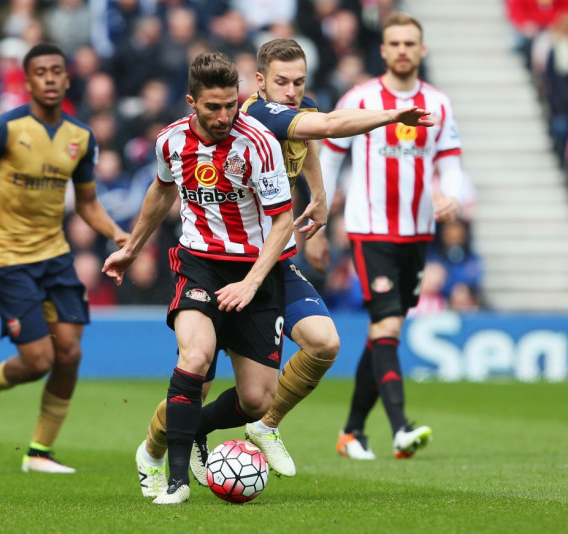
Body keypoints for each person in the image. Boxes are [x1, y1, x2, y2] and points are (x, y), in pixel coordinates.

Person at [135, 37, 435, 493]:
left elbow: (307, 139)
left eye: (299, 82)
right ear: (259, 82)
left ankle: (265, 424)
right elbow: (329, 126)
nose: (292, 91)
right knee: (195, 374)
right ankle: (156, 449)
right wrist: (393, 116)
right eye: (282, 82)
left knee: (323, 343)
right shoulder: (255, 114)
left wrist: (317, 195)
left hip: (269, 260)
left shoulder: (292, 111)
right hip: (216, 263)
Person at [103, 51, 295, 504]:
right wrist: (131, 247)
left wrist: (251, 283)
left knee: (257, 401)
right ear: (192, 102)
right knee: (196, 356)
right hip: (200, 264)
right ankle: (175, 480)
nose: (225, 115)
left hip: (256, 271)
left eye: (232, 104)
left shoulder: (259, 143)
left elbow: (283, 222)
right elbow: (162, 189)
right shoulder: (170, 141)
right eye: (213, 107)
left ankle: (197, 430)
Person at [0, 42, 128, 473]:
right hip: (8, 257)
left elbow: (87, 204)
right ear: (28, 80)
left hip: (55, 256)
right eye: (41, 72)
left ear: (68, 79)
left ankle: (39, 452)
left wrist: (117, 232)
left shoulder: (81, 138)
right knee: (39, 361)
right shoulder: (2, 128)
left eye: (57, 71)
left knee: (69, 354)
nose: (50, 78)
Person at [318, 12, 464, 460]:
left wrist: (450, 196)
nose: (402, 50)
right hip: (370, 230)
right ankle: (401, 428)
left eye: (409, 43)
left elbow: (451, 164)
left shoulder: (438, 104)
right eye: (394, 43)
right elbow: (329, 159)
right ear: (382, 50)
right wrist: (320, 219)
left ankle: (351, 432)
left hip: (418, 233)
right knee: (387, 325)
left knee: (384, 332)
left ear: (421, 51)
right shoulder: (360, 99)